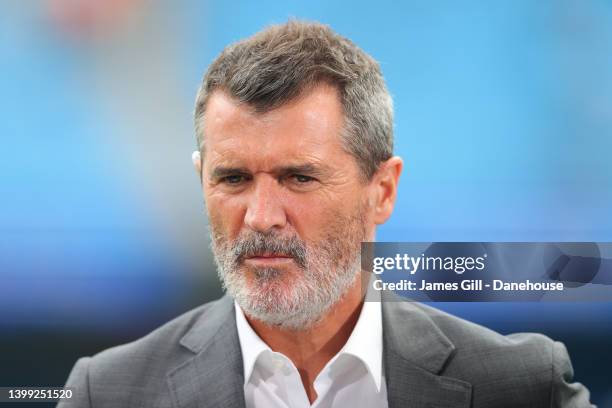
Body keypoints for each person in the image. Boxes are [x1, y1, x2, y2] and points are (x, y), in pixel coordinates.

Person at [59, 20, 594, 408]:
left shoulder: (520, 386)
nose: (261, 216)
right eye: (234, 179)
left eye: (299, 178)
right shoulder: (107, 393)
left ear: (381, 191)